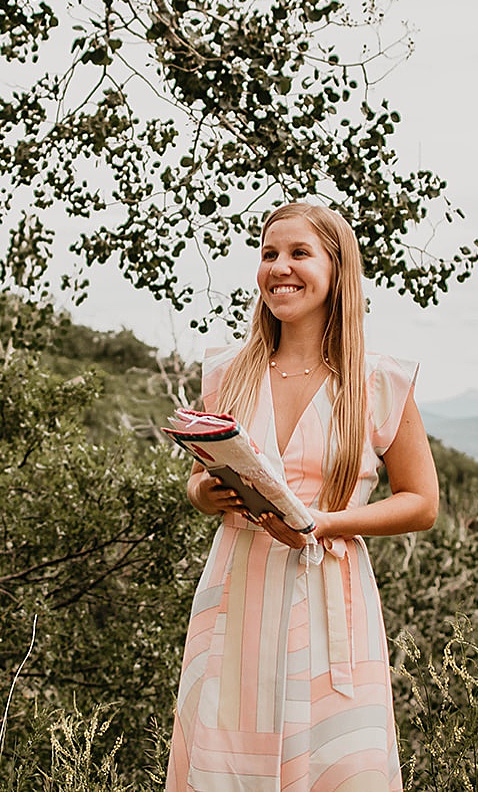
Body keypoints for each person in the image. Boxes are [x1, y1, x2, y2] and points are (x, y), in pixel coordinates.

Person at [167, 202, 439, 792]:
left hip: (330, 597)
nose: (279, 268)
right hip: (237, 591)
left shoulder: (378, 381)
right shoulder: (226, 372)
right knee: (228, 760)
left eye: (298, 254)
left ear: (337, 270)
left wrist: (327, 522)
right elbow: (198, 481)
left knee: (333, 765)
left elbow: (422, 502)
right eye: (268, 254)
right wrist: (206, 495)